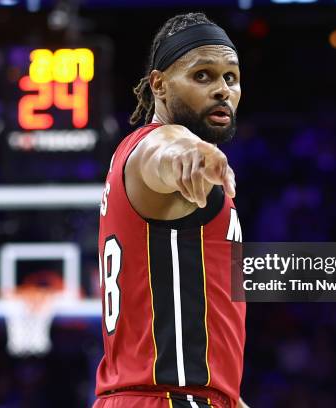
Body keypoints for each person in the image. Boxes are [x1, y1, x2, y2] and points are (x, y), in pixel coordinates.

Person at [94, 12, 248, 408]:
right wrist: (192, 154)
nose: (222, 90)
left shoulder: (126, 157)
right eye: (203, 76)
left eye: (230, 77)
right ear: (159, 85)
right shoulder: (156, 148)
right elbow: (167, 149)